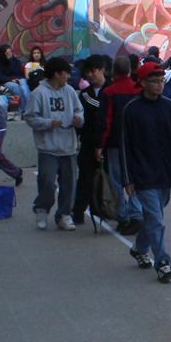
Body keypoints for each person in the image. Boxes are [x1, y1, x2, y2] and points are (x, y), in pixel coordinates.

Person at [120, 60, 171, 282]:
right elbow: (125, 145)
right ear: (142, 83)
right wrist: (127, 178)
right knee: (156, 220)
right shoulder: (131, 110)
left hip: (166, 171)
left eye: (161, 81)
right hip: (143, 173)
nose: (158, 85)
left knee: (154, 217)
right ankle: (163, 263)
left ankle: (139, 248)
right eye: (154, 81)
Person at [24, 56, 83, 232]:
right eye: (66, 73)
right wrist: (49, 123)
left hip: (68, 147)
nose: (69, 76)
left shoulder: (70, 91)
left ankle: (64, 215)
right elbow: (30, 117)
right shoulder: (38, 93)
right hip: (48, 148)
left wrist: (78, 119)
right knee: (47, 182)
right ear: (57, 74)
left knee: (69, 184)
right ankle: (42, 209)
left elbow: (79, 110)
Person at [100, 54, 146, 235]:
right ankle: (137, 213)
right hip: (137, 142)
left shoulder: (109, 92)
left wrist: (100, 144)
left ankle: (123, 215)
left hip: (115, 142)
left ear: (113, 70)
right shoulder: (138, 90)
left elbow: (106, 121)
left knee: (116, 181)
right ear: (129, 69)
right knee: (136, 178)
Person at [71, 55, 110, 226]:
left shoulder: (112, 90)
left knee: (108, 181)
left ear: (102, 70)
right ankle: (78, 211)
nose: (90, 75)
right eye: (87, 72)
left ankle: (105, 210)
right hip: (88, 142)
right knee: (85, 179)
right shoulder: (84, 94)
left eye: (93, 71)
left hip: (108, 143)